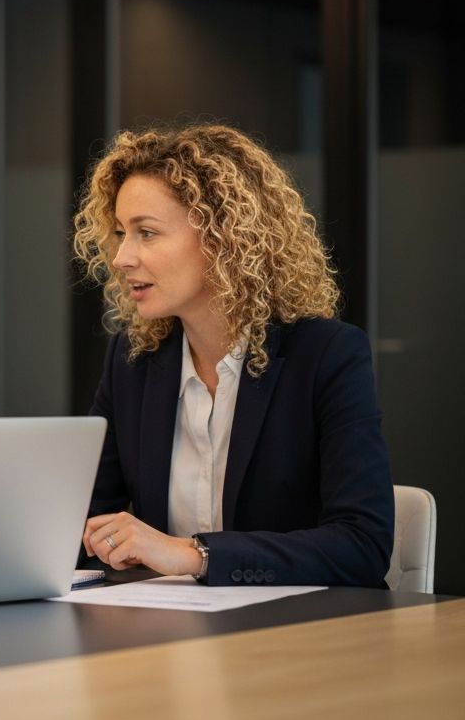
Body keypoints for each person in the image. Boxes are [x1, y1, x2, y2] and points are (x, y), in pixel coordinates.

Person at [72, 124, 393, 587]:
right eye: (121, 233)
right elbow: (84, 520)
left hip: (302, 635)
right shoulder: (133, 361)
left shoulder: (325, 355)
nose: (122, 258)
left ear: (222, 237)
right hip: (169, 637)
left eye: (146, 233)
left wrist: (192, 553)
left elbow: (362, 545)